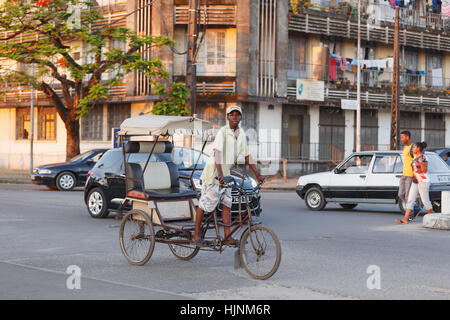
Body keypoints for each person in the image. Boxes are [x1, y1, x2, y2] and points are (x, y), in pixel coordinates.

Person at [192, 105, 264, 246]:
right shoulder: (223, 132)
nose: (235, 117)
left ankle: (227, 237)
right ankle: (195, 235)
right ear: (228, 117)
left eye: (238, 114)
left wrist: (258, 175)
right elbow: (217, 153)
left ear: (241, 117)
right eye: (232, 114)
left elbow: (247, 156)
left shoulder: (241, 134)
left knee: (227, 206)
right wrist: (219, 175)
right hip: (213, 174)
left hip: (226, 176)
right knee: (205, 204)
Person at [396, 142, 433, 224]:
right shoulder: (415, 157)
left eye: (414, 147)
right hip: (415, 181)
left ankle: (432, 218)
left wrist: (420, 163)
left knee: (425, 201)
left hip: (423, 181)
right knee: (410, 200)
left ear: (418, 148)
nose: (412, 149)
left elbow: (424, 170)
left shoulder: (423, 157)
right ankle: (406, 219)